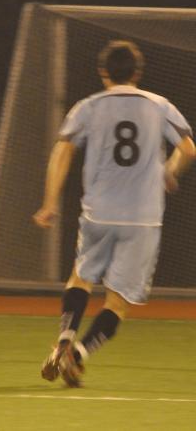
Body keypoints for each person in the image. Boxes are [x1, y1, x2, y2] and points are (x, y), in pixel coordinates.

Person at [33, 40, 195, 387]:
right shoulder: (160, 106)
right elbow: (188, 148)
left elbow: (63, 151)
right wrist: (169, 171)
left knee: (81, 277)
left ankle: (64, 339)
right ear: (138, 73)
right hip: (144, 218)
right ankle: (79, 354)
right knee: (117, 303)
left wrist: (49, 203)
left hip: (100, 213)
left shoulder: (88, 107)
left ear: (103, 72)